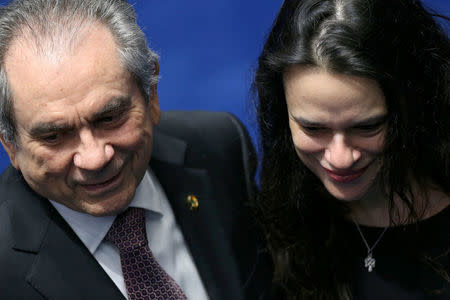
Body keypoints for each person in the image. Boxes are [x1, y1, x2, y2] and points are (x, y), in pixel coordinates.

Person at [0, 0, 271, 299]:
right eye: (53, 136)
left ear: (151, 95)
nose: (94, 158)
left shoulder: (218, 148)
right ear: (10, 145)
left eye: (110, 117)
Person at [252, 0, 449, 299]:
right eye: (313, 129)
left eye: (367, 127)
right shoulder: (272, 222)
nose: (340, 158)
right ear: (283, 116)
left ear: (414, 105)